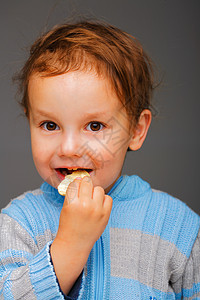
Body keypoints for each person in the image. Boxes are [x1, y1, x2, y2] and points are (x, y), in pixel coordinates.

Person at [0, 20, 199, 300]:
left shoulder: (178, 226)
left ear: (136, 130)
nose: (68, 148)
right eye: (49, 125)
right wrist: (69, 246)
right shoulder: (18, 224)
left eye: (94, 126)